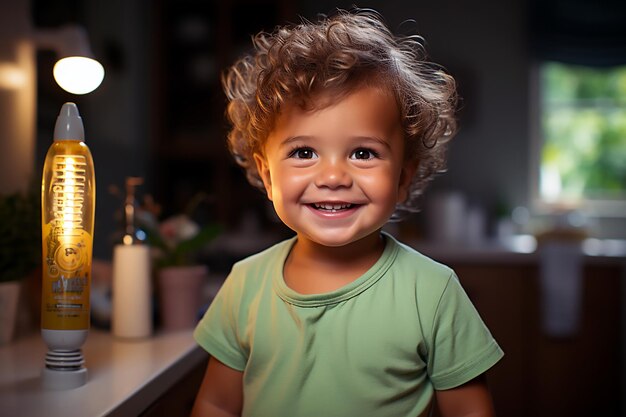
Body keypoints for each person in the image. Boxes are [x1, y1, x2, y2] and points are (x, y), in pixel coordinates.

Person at [191, 8, 503, 417]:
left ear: (402, 177)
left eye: (363, 153)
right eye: (304, 152)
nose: (334, 176)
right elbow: (216, 403)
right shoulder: (244, 285)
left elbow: (469, 411)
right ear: (268, 177)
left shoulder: (432, 292)